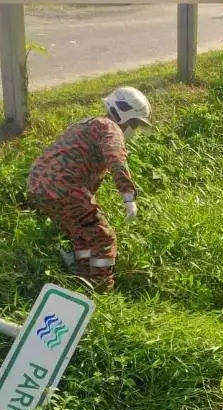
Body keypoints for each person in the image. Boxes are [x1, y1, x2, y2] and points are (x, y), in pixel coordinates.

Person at [27, 86, 151, 292]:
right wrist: (128, 196)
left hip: (39, 185)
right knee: (104, 238)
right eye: (135, 124)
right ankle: (103, 291)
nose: (134, 130)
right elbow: (116, 158)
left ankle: (82, 283)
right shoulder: (110, 128)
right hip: (63, 186)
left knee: (82, 234)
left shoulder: (88, 124)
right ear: (125, 115)